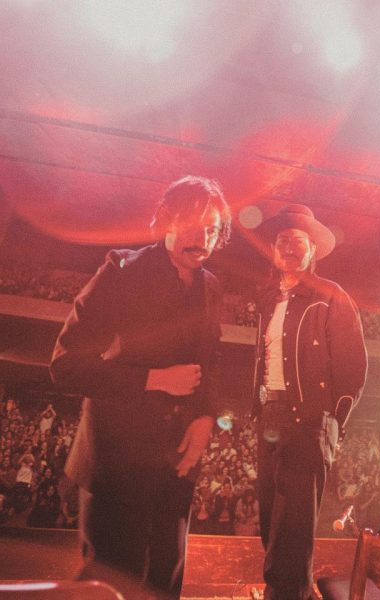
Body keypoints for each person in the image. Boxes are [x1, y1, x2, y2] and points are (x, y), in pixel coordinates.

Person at [50, 175, 231, 599]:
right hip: (117, 466)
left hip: (175, 466)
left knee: (165, 582)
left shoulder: (211, 286)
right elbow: (66, 365)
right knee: (112, 587)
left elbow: (211, 361)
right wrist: (155, 379)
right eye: (192, 226)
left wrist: (206, 418)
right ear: (166, 220)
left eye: (211, 229)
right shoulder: (122, 271)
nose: (202, 238)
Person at [253, 204, 368, 600]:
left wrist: (333, 422)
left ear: (312, 250)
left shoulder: (330, 295)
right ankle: (284, 591)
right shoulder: (268, 299)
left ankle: (286, 595)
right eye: (282, 241)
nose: (289, 247)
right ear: (273, 250)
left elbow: (353, 365)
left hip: (309, 420)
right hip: (269, 417)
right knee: (270, 520)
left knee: (294, 526)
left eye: (298, 241)